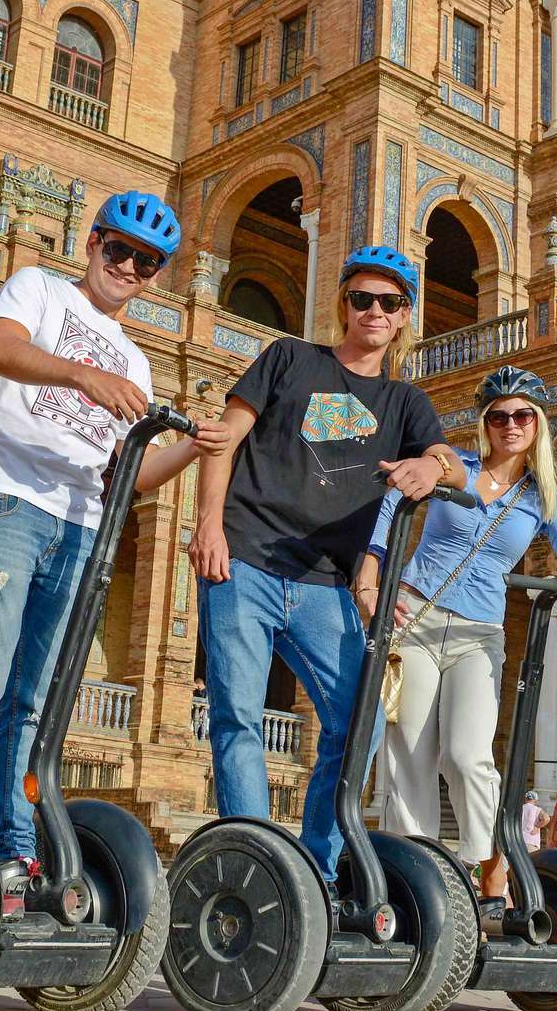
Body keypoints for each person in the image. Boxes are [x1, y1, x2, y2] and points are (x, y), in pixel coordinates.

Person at [0, 188, 228, 900]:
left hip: (80, 525)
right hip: (6, 497)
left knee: (35, 699)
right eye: (119, 249)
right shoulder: (37, 288)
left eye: (147, 262)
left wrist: (191, 450)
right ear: (92, 242)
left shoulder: (137, 358)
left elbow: (129, 474)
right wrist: (83, 375)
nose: (129, 267)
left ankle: (13, 848)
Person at [188, 244, 462, 879]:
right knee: (238, 716)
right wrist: (207, 524)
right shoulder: (289, 358)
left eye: (388, 303)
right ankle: (256, 864)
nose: (373, 310)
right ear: (345, 306)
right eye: (362, 299)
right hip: (246, 560)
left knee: (358, 723)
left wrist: (431, 464)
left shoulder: (404, 402)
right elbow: (224, 438)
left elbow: (451, 462)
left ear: (403, 317)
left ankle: (316, 868)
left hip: (324, 584)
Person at [361, 364, 557, 899]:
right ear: (485, 422)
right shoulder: (451, 464)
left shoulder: (542, 498)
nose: (511, 424)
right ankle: (414, 879)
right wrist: (370, 577)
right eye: (499, 414)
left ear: (538, 425)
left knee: (467, 753)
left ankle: (490, 864)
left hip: (478, 633)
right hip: (412, 616)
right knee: (408, 751)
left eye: (523, 415)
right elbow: (393, 501)